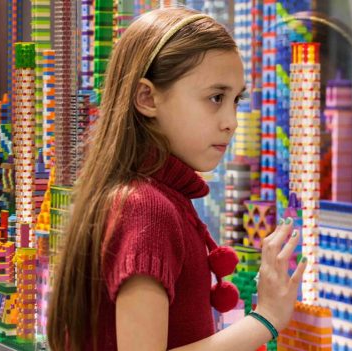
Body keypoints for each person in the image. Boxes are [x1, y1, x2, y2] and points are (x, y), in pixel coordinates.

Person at [47, 7, 306, 351]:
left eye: (236, 100)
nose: (231, 121)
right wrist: (267, 318)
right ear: (147, 98)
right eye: (215, 98)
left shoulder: (148, 198)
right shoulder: (148, 210)